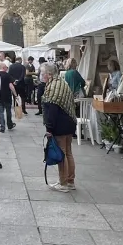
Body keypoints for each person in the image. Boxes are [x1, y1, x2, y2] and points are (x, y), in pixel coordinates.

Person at [41, 62, 77, 191]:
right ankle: (70, 180)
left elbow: (52, 109)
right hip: (69, 121)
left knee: (61, 153)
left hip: (60, 124)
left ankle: (63, 183)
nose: (41, 75)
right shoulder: (62, 82)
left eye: (42, 73)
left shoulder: (53, 87)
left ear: (49, 74)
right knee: (68, 152)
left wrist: (49, 128)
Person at [0, 60, 16, 133]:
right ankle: (10, 124)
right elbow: (11, 85)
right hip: (7, 96)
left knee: (0, 112)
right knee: (8, 111)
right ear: (3, 67)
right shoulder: (7, 75)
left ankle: (2, 127)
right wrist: (15, 94)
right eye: (6, 67)